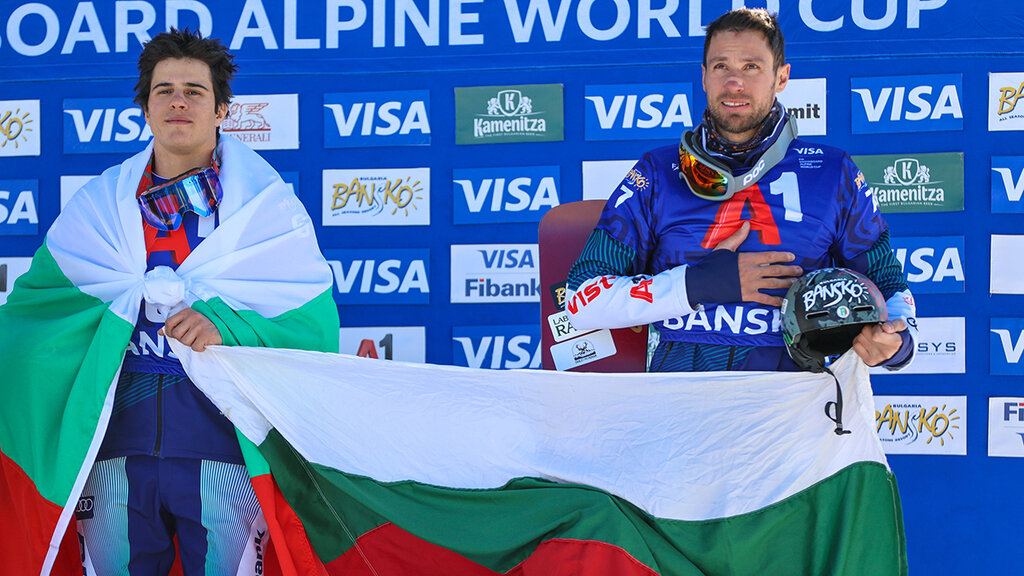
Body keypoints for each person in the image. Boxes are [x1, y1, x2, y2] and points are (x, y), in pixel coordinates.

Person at [0, 29, 338, 574]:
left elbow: (310, 327)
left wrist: (225, 325)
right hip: (116, 449)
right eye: (164, 91)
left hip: (223, 451)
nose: (178, 101)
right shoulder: (98, 209)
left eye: (194, 91)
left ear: (222, 110)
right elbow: (39, 315)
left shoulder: (267, 213)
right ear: (146, 108)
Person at [566, 8, 916, 373]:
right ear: (704, 76)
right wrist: (697, 284)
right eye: (721, 66)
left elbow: (887, 284)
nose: (734, 83)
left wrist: (897, 342)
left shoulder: (832, 172)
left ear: (781, 77)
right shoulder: (658, 173)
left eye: (751, 67)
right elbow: (581, 300)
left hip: (797, 401)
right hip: (679, 400)